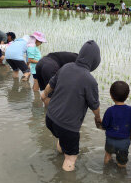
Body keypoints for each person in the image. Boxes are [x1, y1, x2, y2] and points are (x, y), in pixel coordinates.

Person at [41, 40, 101, 171]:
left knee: (62, 140)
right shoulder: (90, 80)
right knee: (71, 157)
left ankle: (59, 155)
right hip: (68, 127)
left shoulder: (66, 67)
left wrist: (43, 96)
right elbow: (94, 106)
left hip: (50, 118)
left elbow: (51, 85)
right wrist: (98, 119)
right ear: (95, 61)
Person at [99, 81, 131, 168]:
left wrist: (99, 123)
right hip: (124, 141)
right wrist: (130, 136)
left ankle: (106, 171)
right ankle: (121, 176)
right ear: (127, 96)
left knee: (108, 155)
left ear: (111, 96)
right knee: (122, 162)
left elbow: (104, 126)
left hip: (110, 140)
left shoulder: (110, 110)